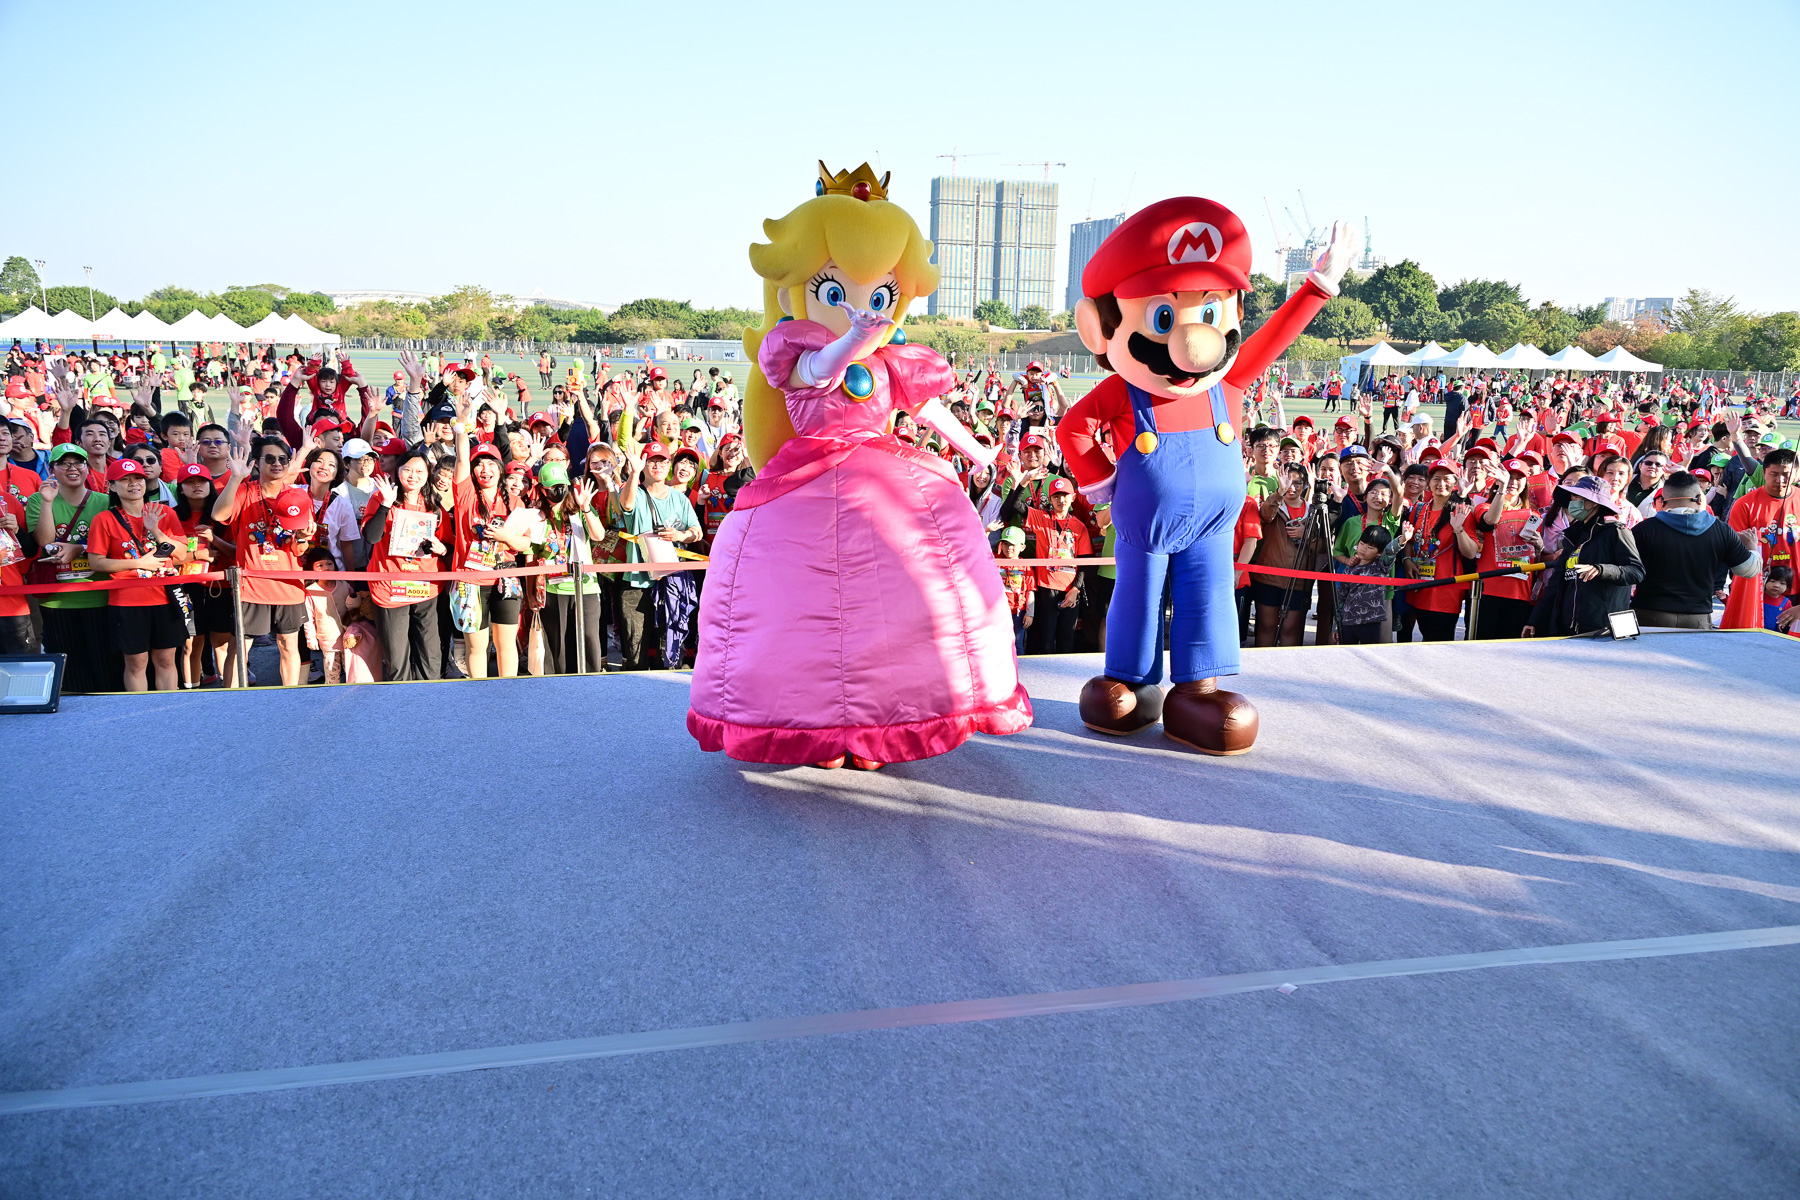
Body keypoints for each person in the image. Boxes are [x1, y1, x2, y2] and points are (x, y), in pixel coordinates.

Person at [687, 162, 1029, 768]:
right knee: (800, 611)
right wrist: (855, 337)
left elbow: (927, 410)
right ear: (796, 290)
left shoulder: (892, 361)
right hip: (805, 483)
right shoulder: (792, 351)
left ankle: (886, 725)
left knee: (894, 612)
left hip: (889, 480)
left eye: (880, 296)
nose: (862, 309)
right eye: (835, 292)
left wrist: (979, 452)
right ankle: (814, 729)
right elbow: (820, 374)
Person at [83, 458, 192, 691]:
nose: (134, 483)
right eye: (125, 479)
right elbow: (96, 562)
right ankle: (138, 712)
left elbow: (182, 553)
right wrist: (139, 563)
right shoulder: (104, 519)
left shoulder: (164, 512)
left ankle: (168, 708)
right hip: (128, 601)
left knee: (166, 660)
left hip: (166, 597)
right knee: (136, 663)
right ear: (112, 486)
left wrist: (156, 530)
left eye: (138, 478)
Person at [213, 436, 312, 687]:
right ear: (257, 462)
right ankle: (232, 700)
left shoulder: (298, 496)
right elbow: (218, 514)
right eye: (269, 458)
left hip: (288, 585)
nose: (277, 463)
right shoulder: (245, 490)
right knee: (239, 648)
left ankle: (289, 697)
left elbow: (299, 549)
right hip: (251, 585)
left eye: (282, 459)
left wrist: (303, 538)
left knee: (288, 644)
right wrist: (235, 478)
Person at [29, 445, 121, 691]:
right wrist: (47, 502)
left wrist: (79, 548)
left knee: (107, 671)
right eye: (64, 463)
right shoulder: (39, 499)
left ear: (87, 467)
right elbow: (45, 541)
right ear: (52, 469)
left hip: (99, 595)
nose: (73, 468)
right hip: (58, 601)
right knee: (71, 677)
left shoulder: (105, 501)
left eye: (78, 463)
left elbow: (115, 544)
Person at [1628, 471, 1759, 630]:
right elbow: (1748, 570)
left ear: (1662, 501)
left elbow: (1625, 572)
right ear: (1699, 499)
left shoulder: (1643, 530)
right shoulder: (1721, 530)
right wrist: (1752, 547)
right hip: (1697, 618)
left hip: (1650, 615)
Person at [360, 450, 450, 681]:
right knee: (397, 658)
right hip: (390, 587)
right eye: (407, 469)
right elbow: (371, 537)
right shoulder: (381, 498)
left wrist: (441, 548)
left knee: (430, 656)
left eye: (420, 471)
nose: (413, 475)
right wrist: (386, 504)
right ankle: (402, 700)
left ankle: (430, 698)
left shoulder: (433, 504)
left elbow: (447, 545)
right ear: (397, 471)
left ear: (428, 474)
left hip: (426, 586)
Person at [1523, 476, 1644, 638]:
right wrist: (1535, 621)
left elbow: (1636, 571)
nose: (1573, 501)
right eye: (1572, 496)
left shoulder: (1616, 531)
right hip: (1567, 627)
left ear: (1594, 503)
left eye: (1578, 496)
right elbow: (1555, 584)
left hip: (1605, 629)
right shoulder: (1572, 536)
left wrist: (1600, 570)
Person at [616, 440, 700, 671]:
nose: (657, 466)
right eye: (651, 461)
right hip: (637, 580)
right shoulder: (634, 490)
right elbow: (627, 505)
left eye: (662, 461)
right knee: (636, 646)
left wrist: (681, 535)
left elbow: (697, 531)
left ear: (669, 464)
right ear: (644, 464)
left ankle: (668, 688)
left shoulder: (679, 498)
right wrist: (634, 473)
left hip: (671, 579)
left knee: (669, 644)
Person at [1721, 447, 1799, 630]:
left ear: (1796, 474)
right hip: (1755, 589)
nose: (1780, 480)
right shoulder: (1745, 504)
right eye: (1774, 474)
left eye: (1786, 474)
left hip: (1795, 590)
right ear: (1763, 473)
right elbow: (1733, 548)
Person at [1463, 458, 1537, 640]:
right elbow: (1491, 520)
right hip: (1488, 590)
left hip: (1519, 593)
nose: (1513, 482)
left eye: (1519, 478)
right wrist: (1502, 488)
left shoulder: (1534, 515)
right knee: (1479, 646)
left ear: (1526, 483)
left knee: (1509, 649)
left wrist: (1540, 546)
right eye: (1508, 476)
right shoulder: (1483, 506)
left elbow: (1537, 556)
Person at [1022, 477, 1091, 654]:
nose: (1061, 500)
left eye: (1065, 496)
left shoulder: (1079, 527)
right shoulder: (1042, 518)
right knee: (1045, 638)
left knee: (1066, 639)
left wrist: (1076, 588)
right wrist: (1022, 482)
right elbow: (1015, 506)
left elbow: (1084, 562)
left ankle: (1064, 671)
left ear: (1073, 497)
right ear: (1050, 499)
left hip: (1070, 588)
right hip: (1047, 586)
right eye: (1056, 496)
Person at [1335, 524, 1407, 645]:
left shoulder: (1381, 566)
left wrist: (1402, 539)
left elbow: (1390, 551)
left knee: (1369, 654)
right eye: (1362, 543)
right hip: (1348, 621)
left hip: (1370, 622)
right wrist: (1336, 625)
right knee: (1346, 653)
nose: (1363, 549)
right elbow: (1341, 598)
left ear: (1379, 552)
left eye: (1370, 547)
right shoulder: (1349, 569)